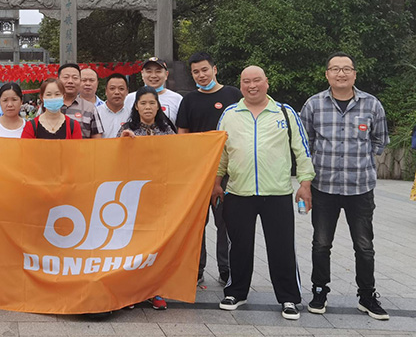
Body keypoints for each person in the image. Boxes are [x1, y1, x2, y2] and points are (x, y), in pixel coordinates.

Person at [212, 66, 315, 320]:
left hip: (277, 193)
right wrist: (216, 183)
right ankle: (236, 292)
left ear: (266, 83)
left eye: (257, 80)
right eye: (246, 81)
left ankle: (289, 297)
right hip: (238, 192)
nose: (252, 86)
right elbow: (220, 152)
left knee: (282, 247)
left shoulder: (285, 112)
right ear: (240, 85)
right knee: (239, 246)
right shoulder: (230, 114)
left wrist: (305, 183)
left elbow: (302, 150)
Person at [300, 53, 390, 320]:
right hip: (324, 187)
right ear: (327, 74)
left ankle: (367, 296)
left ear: (354, 74)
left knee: (364, 246)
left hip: (360, 189)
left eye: (346, 69)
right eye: (335, 69)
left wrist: (359, 160)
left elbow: (380, 141)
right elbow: (306, 144)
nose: (341, 74)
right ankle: (319, 292)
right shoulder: (314, 104)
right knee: (321, 243)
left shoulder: (371, 104)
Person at [176, 52, 242, 285]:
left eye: (205, 70)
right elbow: (182, 134)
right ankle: (196, 268)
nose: (201, 75)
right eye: (196, 72)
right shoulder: (189, 100)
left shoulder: (233, 95)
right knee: (196, 223)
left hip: (229, 171)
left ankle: (226, 269)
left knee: (226, 222)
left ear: (215, 69)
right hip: (198, 172)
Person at [117, 85, 175, 310]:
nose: (148, 107)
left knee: (157, 244)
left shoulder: (167, 130)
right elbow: (115, 160)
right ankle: (131, 291)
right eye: (143, 103)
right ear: (136, 106)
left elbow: (178, 157)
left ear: (158, 106)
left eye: (152, 103)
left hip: (160, 196)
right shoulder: (126, 129)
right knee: (132, 243)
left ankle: (154, 290)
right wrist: (123, 142)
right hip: (133, 196)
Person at [124, 58, 182, 124]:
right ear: (142, 74)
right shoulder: (129, 99)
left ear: (166, 74)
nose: (153, 76)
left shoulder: (177, 99)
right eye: (149, 71)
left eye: (158, 71)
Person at [56, 63, 103, 139]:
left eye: (75, 78)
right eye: (66, 77)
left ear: (80, 81)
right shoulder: (48, 105)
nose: (70, 81)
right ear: (58, 80)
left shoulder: (90, 108)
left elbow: (97, 141)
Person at [99, 74, 131, 138]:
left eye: (121, 89)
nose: (117, 92)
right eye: (112, 88)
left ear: (127, 91)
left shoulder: (131, 114)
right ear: (106, 91)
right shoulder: (96, 113)